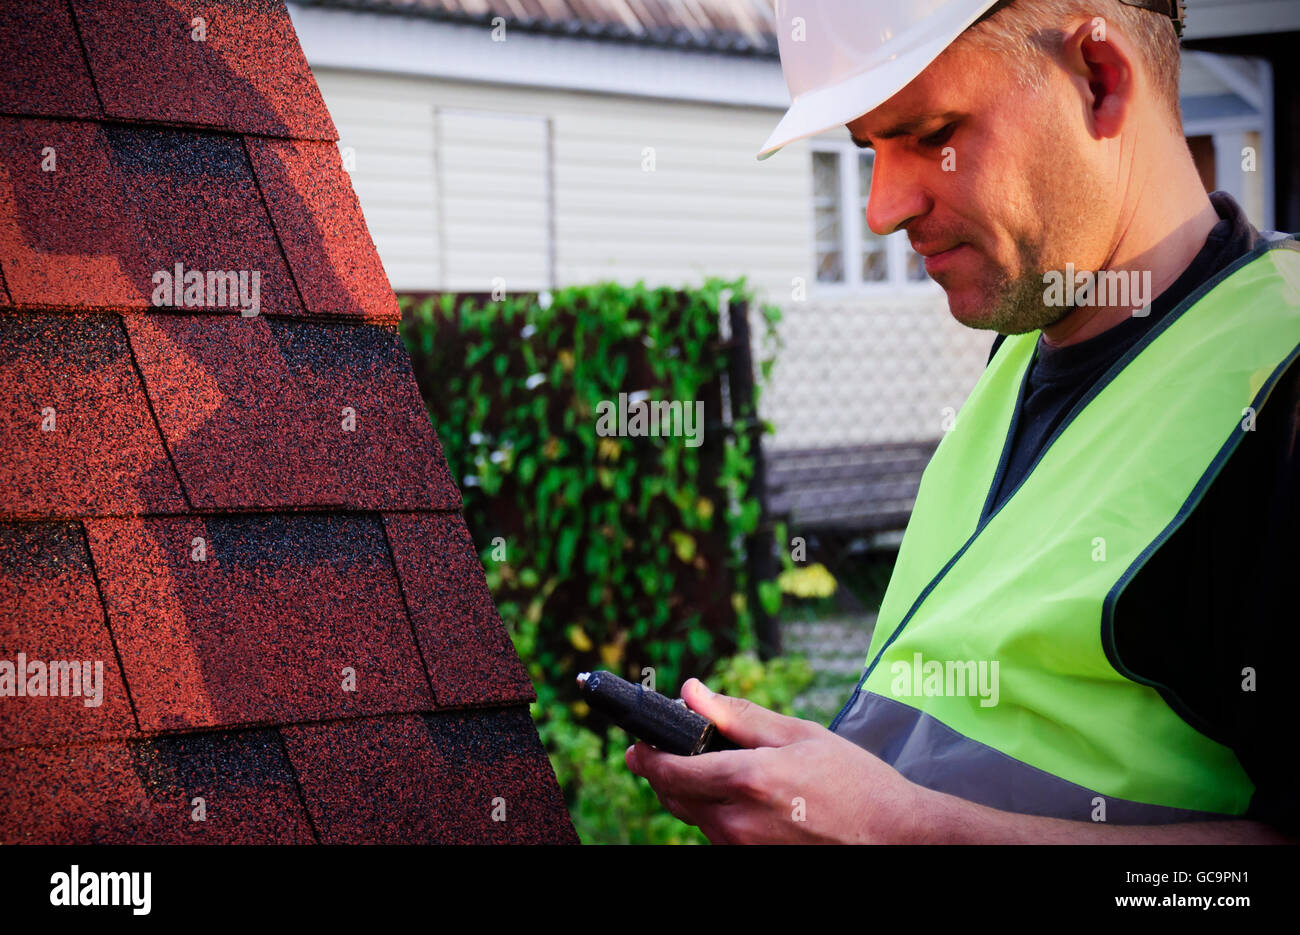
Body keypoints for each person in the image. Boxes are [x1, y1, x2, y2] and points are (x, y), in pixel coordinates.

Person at [625, 0, 1299, 843]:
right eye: (868, 149)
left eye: (930, 131)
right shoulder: (1020, 351)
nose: (879, 209)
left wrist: (900, 827)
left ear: (1099, 77)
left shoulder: (1281, 377)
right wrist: (833, 778)